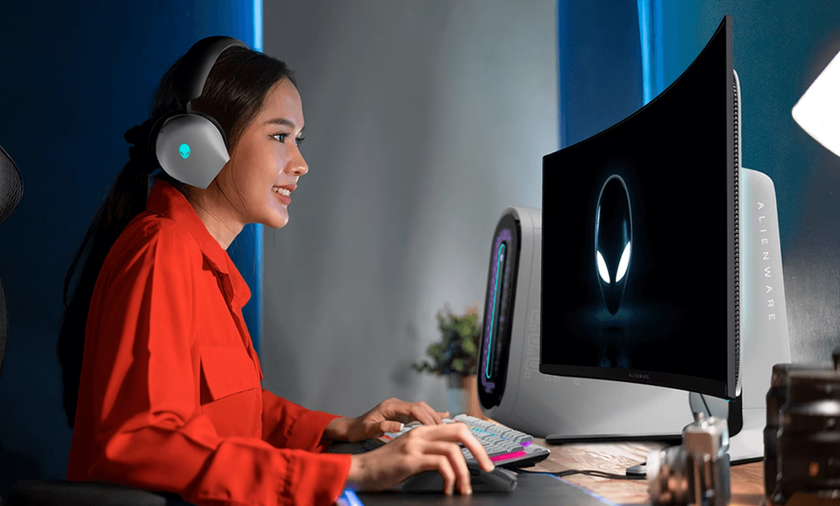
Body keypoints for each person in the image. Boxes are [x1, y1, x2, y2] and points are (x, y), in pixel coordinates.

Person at [56, 43, 494, 506]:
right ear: (200, 146)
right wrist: (357, 469)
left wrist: (339, 428)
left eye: (298, 140)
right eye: (280, 136)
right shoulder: (161, 252)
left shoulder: (206, 266)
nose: (300, 164)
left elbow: (230, 413)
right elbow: (145, 442)